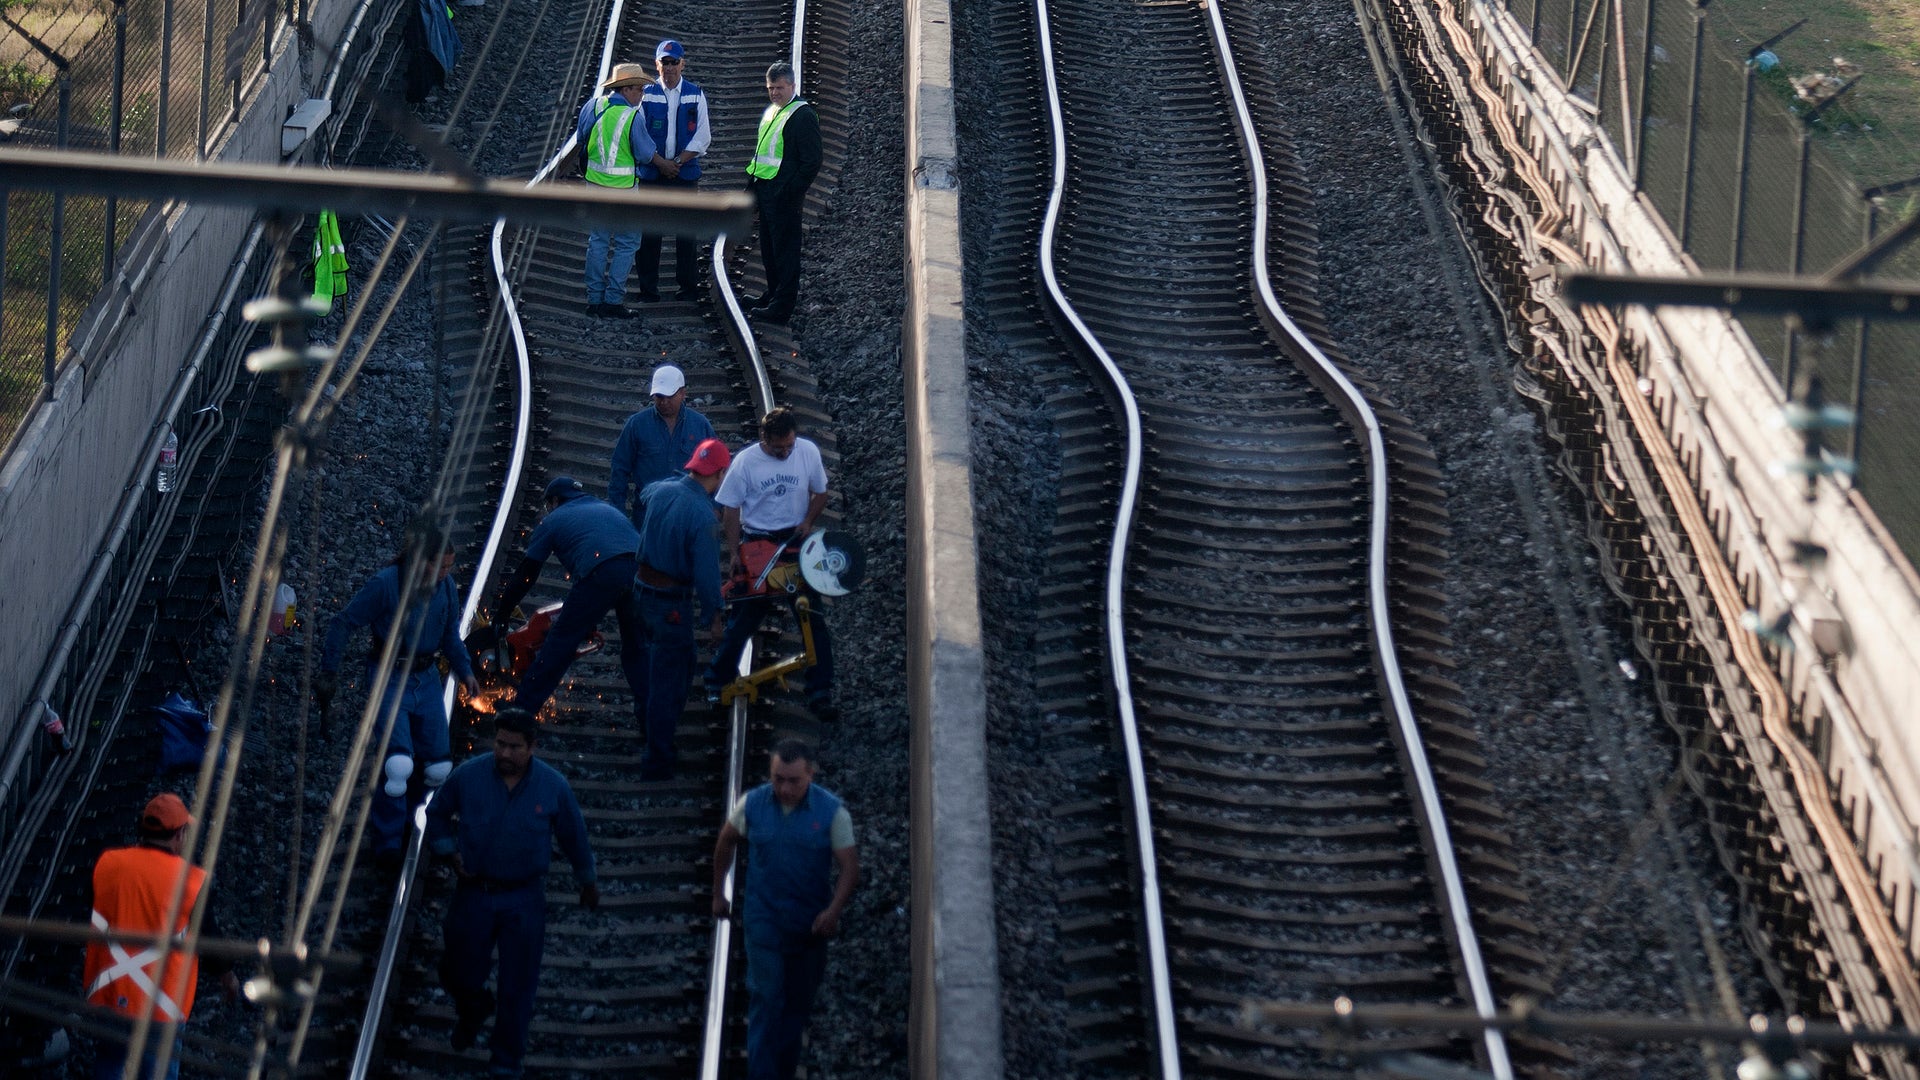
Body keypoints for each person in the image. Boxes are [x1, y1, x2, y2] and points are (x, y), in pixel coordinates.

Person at [426, 709, 598, 1077]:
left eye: (515, 747)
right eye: (500, 744)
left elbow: (574, 834)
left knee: (518, 985)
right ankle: (473, 1007)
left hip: (524, 899)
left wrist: (587, 881)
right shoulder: (468, 776)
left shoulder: (552, 786)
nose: (505, 753)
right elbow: (436, 812)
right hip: (474, 894)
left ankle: (506, 1062)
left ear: (533, 747)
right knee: (456, 970)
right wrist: (448, 850)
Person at [316, 523, 481, 864]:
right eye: (439, 565)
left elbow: (450, 634)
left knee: (436, 767)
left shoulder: (445, 587)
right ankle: (387, 840)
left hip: (426, 678)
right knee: (398, 764)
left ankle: (411, 821)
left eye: (449, 567)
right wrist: (329, 669)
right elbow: (344, 621)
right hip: (389, 676)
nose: (444, 573)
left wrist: (466, 671)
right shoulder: (387, 584)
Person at [711, 740, 858, 1080]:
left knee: (795, 1008)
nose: (785, 788)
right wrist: (718, 893)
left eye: (793, 780)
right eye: (778, 779)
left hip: (808, 927)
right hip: (764, 923)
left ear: (811, 774)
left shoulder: (832, 812)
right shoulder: (752, 804)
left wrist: (833, 911)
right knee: (766, 998)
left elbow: (850, 868)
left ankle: (784, 1072)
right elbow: (725, 841)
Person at [85, 793, 240, 1080]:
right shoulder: (192, 881)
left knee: (110, 1064)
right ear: (180, 835)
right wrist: (227, 976)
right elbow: (208, 939)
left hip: (109, 993)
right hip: (160, 1005)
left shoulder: (108, 864)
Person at [702, 407, 834, 719]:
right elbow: (731, 509)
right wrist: (735, 553)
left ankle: (820, 690)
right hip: (759, 545)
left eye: (789, 446)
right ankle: (717, 681)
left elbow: (821, 492)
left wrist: (807, 521)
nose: (786, 452)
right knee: (746, 617)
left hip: (795, 543)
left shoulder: (807, 452)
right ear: (765, 438)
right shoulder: (746, 462)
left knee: (811, 615)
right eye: (779, 448)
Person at [493, 476, 648, 719]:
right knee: (637, 646)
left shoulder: (553, 520)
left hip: (602, 571)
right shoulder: (605, 509)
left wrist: (502, 614)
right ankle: (650, 715)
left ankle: (521, 709)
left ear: (555, 500)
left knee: (560, 641)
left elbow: (527, 573)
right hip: (639, 570)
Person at [631, 438, 730, 778]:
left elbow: (644, 492)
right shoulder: (703, 518)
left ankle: (647, 727)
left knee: (668, 664)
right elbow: (706, 575)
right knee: (669, 680)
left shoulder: (661, 490)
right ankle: (657, 759)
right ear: (719, 473)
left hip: (640, 593)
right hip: (670, 605)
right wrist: (714, 618)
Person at [576, 62, 660, 319]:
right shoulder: (632, 117)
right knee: (626, 243)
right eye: (639, 90)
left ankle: (594, 300)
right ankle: (613, 300)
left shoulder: (593, 106)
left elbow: (581, 138)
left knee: (598, 240)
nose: (641, 95)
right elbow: (646, 155)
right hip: (624, 190)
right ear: (625, 90)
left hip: (594, 186)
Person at [632, 40, 711, 303]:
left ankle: (688, 288)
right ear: (656, 64)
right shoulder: (646, 93)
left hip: (684, 173)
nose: (669, 67)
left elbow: (702, 137)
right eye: (664, 62)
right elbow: (638, 135)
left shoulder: (695, 94)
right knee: (649, 234)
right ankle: (648, 289)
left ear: (682, 64)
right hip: (653, 174)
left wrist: (676, 161)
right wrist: (659, 162)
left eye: (673, 62)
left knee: (686, 234)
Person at [743, 62, 822, 324]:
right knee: (769, 248)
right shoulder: (773, 111)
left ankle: (782, 307)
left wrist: (790, 192)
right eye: (770, 88)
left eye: (779, 87)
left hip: (783, 196)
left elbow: (812, 161)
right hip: (767, 191)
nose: (774, 92)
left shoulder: (802, 115)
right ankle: (773, 294)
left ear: (792, 86)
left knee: (786, 252)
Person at [608, 363, 716, 521]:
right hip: (648, 515)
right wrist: (618, 515)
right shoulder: (636, 425)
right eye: (659, 396)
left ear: (682, 393)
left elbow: (717, 468)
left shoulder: (700, 425)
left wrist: (713, 508)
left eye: (670, 396)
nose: (664, 402)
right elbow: (619, 470)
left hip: (690, 516)